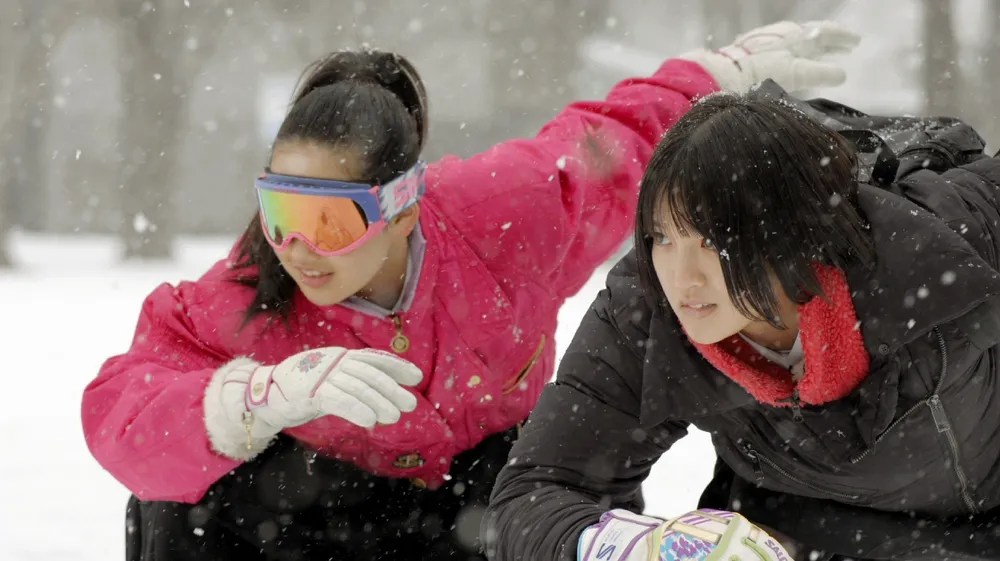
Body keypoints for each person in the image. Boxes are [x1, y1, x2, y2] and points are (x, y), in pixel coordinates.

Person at [82, 21, 858, 561]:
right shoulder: (249, 298)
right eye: (280, 210)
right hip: (321, 519)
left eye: (328, 217)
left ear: (401, 203)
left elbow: (614, 141)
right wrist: (252, 400)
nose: (297, 248)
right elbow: (121, 408)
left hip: (484, 506)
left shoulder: (506, 215)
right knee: (176, 495)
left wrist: (716, 78)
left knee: (557, 497)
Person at [481, 85, 1000, 561]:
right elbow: (535, 492)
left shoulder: (939, 242)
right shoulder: (647, 309)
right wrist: (627, 547)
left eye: (713, 240)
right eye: (663, 237)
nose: (683, 277)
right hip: (797, 538)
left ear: (796, 235)